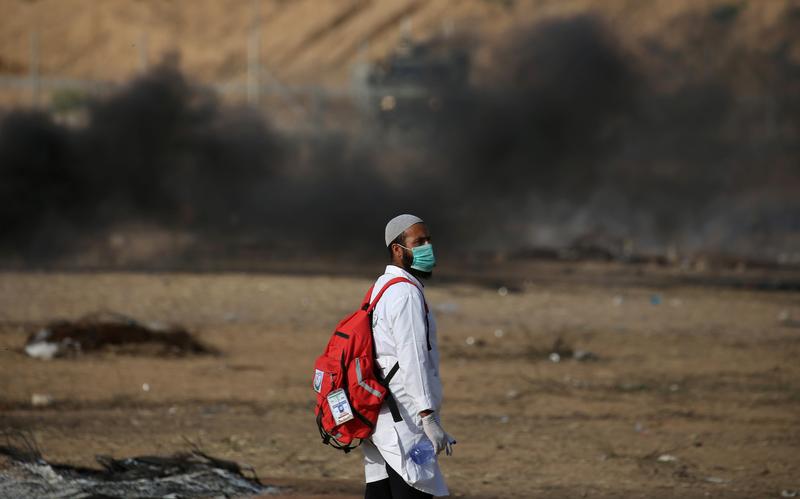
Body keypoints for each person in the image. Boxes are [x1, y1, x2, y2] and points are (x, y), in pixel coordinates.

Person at [363, 214, 456, 499]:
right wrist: (428, 417)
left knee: (380, 492)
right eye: (419, 242)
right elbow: (412, 357)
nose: (427, 247)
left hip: (381, 414)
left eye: (428, 240)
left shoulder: (382, 286)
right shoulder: (405, 293)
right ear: (397, 249)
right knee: (416, 490)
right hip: (405, 415)